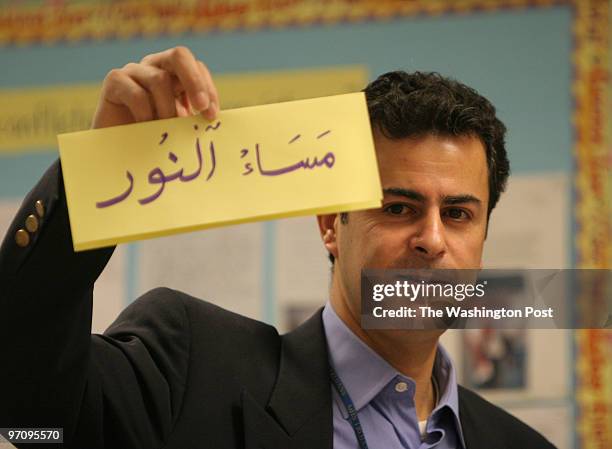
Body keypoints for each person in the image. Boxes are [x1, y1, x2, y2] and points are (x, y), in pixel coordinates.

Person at [0, 46, 555, 449]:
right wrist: (91, 183)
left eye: (457, 214)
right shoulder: (191, 370)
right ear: (330, 226)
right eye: (397, 208)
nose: (432, 240)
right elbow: (28, 418)